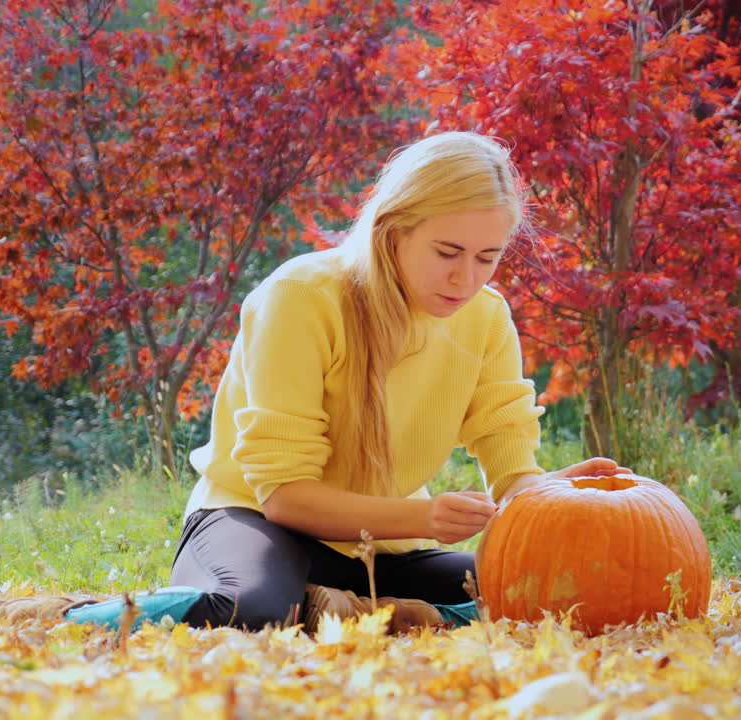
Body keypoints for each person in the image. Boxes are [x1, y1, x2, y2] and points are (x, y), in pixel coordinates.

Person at [60, 131, 627, 632]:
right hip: (253, 520)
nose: (466, 278)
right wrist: (427, 518)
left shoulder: (486, 317)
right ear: (393, 230)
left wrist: (551, 501)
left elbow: (511, 466)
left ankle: (339, 606)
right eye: (447, 252)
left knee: (547, 592)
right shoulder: (301, 297)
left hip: (380, 547)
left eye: (488, 257)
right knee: (252, 611)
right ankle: (68, 616)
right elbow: (284, 497)